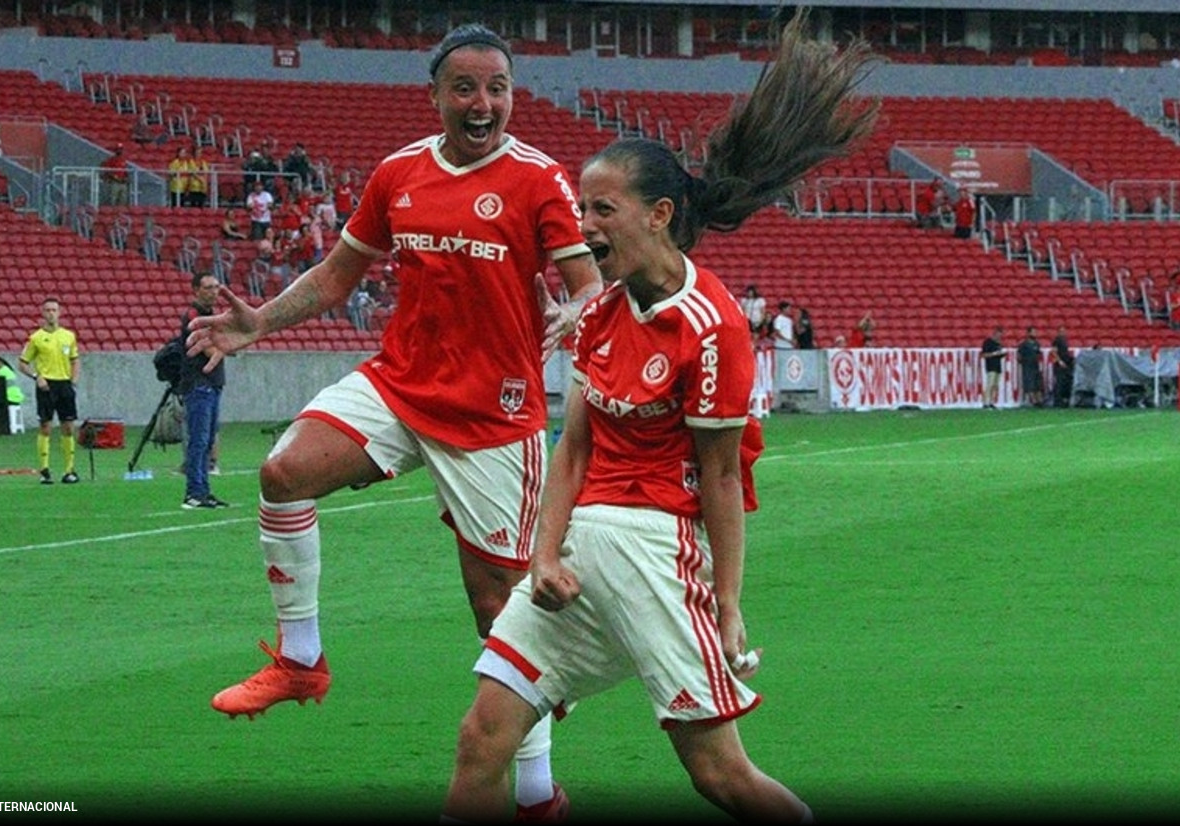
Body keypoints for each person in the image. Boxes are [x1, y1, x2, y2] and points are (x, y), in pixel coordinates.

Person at [441, 9, 878, 821]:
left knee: (721, 778)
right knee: (482, 738)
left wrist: (730, 596)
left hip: (655, 558)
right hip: (578, 561)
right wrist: (542, 555)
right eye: (582, 208)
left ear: (658, 216)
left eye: (603, 210)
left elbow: (719, 474)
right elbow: (570, 450)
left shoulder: (712, 331)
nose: (584, 226)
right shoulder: (599, 311)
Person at [188, 24, 603, 818]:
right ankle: (303, 659)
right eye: (467, 88)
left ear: (512, 96)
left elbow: (587, 282)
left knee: (501, 614)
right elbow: (340, 274)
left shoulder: (538, 179)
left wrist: (579, 309)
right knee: (282, 471)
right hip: (401, 385)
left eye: (498, 89)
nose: (483, 104)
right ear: (436, 95)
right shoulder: (399, 172)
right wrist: (260, 322)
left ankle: (537, 795)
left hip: (494, 417)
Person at [179, 272, 229, 510]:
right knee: (198, 440)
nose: (214, 292)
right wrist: (226, 346)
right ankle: (194, 491)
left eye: (216, 287)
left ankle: (203, 490)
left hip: (213, 382)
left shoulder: (213, 317)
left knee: (207, 440)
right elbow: (214, 350)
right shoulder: (193, 317)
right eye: (208, 287)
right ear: (196, 290)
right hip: (200, 383)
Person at [18, 297, 81, 484]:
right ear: (42, 313)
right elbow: (22, 363)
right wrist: (37, 377)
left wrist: (74, 381)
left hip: (64, 384)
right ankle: (44, 470)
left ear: (59, 312)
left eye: (54, 310)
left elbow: (75, 359)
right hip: (46, 386)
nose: (51, 313)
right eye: (47, 310)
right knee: (45, 426)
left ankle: (69, 470)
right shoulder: (36, 338)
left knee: (68, 426)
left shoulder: (68, 336)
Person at [980, 325, 1008, 408]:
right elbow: (984, 355)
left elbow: (1000, 355)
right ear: (994, 333)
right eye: (999, 334)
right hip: (990, 366)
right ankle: (985, 403)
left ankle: (991, 402)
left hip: (998, 366)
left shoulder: (999, 344)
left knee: (995, 385)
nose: (1000, 336)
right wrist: (994, 354)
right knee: (990, 384)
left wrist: (1002, 354)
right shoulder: (988, 342)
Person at [1016, 325, 1043, 407]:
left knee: (1037, 384)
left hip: (1036, 366)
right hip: (1027, 367)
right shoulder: (1023, 344)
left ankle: (1039, 401)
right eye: (1033, 332)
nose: (1035, 333)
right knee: (1029, 384)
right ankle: (1033, 401)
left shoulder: (1037, 344)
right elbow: (1019, 355)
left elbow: (1039, 354)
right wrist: (1023, 362)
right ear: (1028, 333)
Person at [1051, 325, 1074, 407]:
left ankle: (1063, 400)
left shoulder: (1064, 341)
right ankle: (1057, 401)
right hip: (1060, 364)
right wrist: (1059, 361)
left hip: (1065, 363)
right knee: (1059, 383)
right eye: (1061, 331)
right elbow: (1054, 352)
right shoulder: (1056, 340)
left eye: (1064, 331)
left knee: (1064, 382)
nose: (1063, 333)